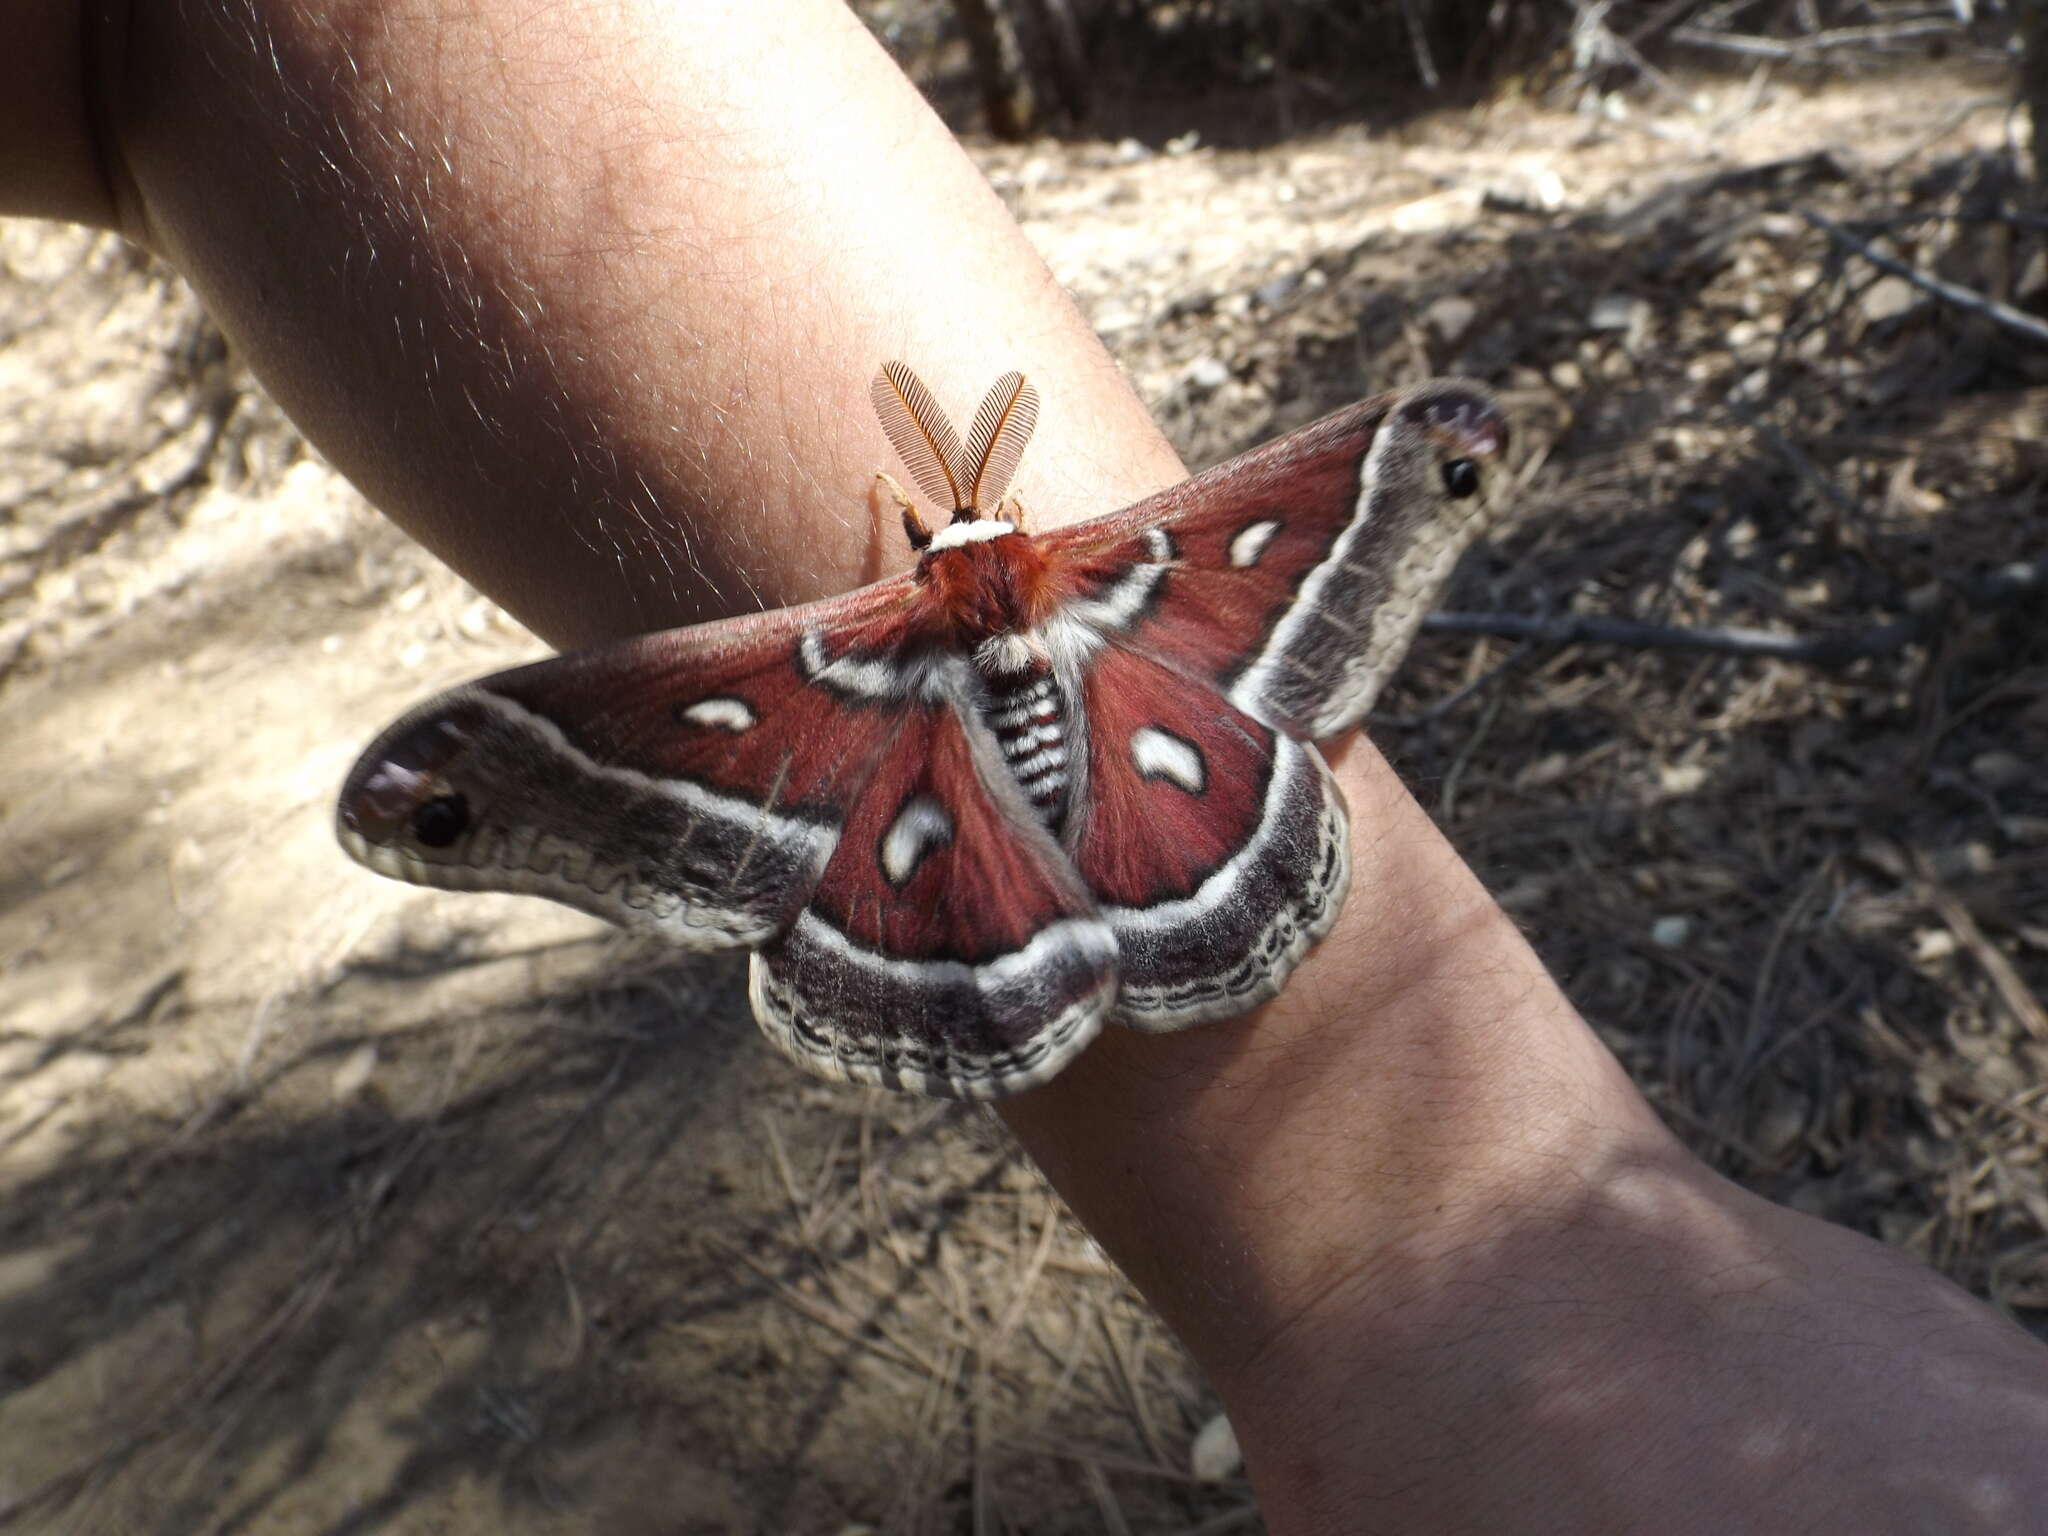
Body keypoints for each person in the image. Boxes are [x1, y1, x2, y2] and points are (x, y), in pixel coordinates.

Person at [7, 1, 2046, 1527]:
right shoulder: (1072, 593)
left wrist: (1463, 1236)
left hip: (1032, 800)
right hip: (1117, 745)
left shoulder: (954, 609)